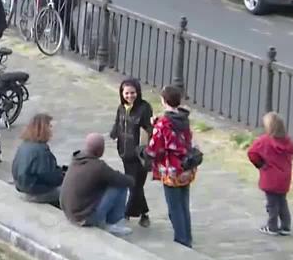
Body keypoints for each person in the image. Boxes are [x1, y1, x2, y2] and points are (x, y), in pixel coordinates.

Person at [145, 85, 196, 248]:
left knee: (174, 207)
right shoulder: (184, 119)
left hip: (171, 169)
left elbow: (156, 149)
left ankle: (181, 239)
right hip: (186, 167)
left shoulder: (163, 124)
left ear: (163, 100)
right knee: (183, 204)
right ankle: (187, 236)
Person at [60, 133, 134, 236]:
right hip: (83, 218)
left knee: (107, 184)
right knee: (120, 186)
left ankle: (107, 220)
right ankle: (113, 223)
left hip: (69, 212)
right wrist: (133, 179)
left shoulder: (76, 160)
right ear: (101, 150)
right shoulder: (98, 167)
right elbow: (122, 179)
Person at [109, 78, 153, 227]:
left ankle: (126, 213)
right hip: (125, 153)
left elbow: (149, 129)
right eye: (126, 93)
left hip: (139, 155)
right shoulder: (121, 108)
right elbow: (117, 123)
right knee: (135, 185)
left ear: (138, 92)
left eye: (132, 93)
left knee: (134, 185)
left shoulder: (144, 108)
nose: (129, 96)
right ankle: (144, 213)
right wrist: (114, 134)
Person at [248, 112, 293, 236]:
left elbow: (252, 153)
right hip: (284, 178)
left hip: (270, 177)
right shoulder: (288, 142)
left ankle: (272, 226)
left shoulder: (264, 141)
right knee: (282, 202)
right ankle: (286, 226)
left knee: (272, 204)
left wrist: (260, 164)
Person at [11, 113, 65, 206]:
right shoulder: (42, 150)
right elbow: (50, 177)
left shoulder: (23, 145)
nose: (52, 131)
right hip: (35, 193)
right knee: (71, 191)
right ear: (44, 129)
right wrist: (64, 176)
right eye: (50, 127)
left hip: (22, 187)